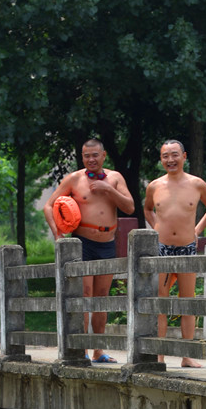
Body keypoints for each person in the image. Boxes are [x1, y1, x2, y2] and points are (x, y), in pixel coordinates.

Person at [44, 138, 135, 363]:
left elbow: (129, 206)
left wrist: (108, 190)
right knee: (84, 297)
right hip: (82, 242)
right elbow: (49, 205)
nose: (91, 159)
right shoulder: (74, 179)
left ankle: (99, 350)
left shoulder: (115, 178)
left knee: (101, 298)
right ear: (82, 157)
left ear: (104, 155)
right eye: (86, 156)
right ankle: (82, 349)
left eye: (95, 155)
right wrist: (57, 235)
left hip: (107, 243)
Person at [143, 139, 206, 368]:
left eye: (174, 155)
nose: (170, 160)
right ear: (161, 159)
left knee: (188, 302)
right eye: (165, 156)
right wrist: (156, 227)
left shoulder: (197, 185)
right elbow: (147, 208)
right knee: (161, 303)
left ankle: (187, 354)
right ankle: (160, 355)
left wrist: (197, 230)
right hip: (162, 248)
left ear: (184, 156)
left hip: (187, 247)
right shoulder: (154, 186)